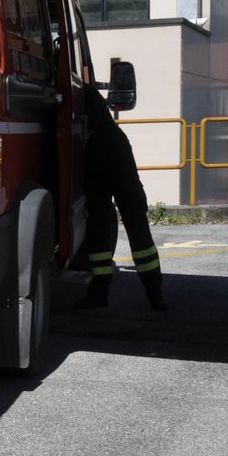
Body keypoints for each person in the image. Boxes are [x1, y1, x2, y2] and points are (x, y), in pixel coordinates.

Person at [76, 87, 166, 310]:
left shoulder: (79, 95)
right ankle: (155, 294)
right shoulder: (111, 131)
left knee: (99, 230)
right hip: (116, 160)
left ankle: (100, 292)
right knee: (137, 230)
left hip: (99, 158)